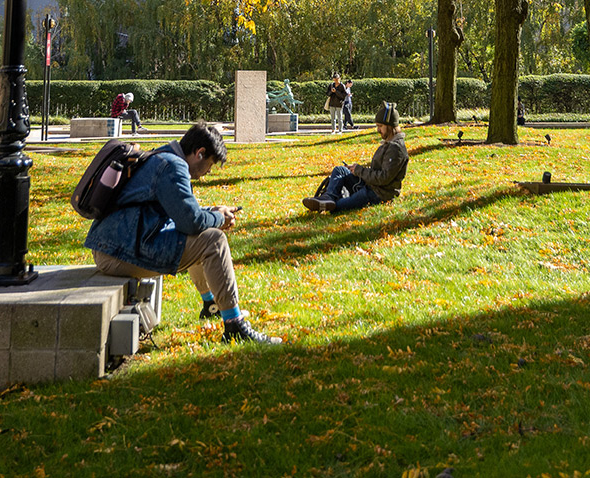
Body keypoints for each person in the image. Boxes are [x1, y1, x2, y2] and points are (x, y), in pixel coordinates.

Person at [87, 123, 280, 344]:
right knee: (213, 240)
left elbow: (181, 212)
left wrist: (212, 212)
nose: (207, 173)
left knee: (202, 235)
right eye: (210, 165)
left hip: (113, 246)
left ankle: (211, 305)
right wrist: (220, 218)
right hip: (120, 253)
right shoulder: (172, 167)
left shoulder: (162, 156)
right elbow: (191, 222)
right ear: (200, 153)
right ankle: (235, 325)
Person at [304, 102, 409, 214]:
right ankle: (329, 197)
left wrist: (360, 171)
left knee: (337, 207)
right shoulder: (389, 143)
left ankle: (333, 201)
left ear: (390, 126)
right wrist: (356, 169)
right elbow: (377, 170)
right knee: (340, 170)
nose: (378, 130)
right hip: (370, 186)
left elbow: (383, 178)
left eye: (380, 126)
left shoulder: (395, 148)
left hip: (378, 194)